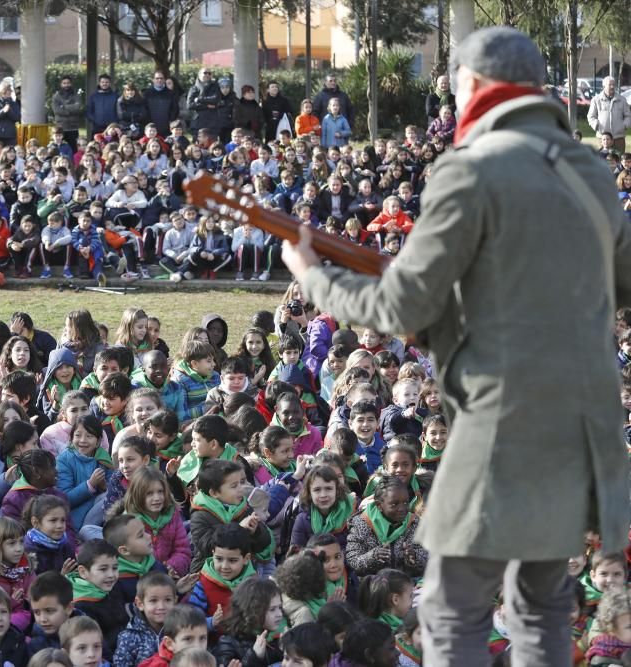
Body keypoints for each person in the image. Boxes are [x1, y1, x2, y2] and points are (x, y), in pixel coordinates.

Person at [282, 26, 631, 666]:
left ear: (472, 88)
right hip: (585, 422)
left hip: (506, 419)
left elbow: (396, 307)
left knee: (447, 607)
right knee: (540, 601)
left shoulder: (470, 169)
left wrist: (314, 278)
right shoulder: (588, 168)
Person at [588, 76, 631, 153]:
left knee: (619, 160)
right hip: (602, 138)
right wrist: (597, 125)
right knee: (602, 161)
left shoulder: (622, 99)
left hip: (619, 138)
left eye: (613, 85)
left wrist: (624, 125)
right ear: (604, 86)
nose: (612, 87)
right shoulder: (596, 100)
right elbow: (591, 116)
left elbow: (628, 116)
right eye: (610, 85)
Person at [51, 76, 85, 151]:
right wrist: (70, 110)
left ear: (71, 84)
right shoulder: (56, 96)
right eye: (64, 83)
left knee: (73, 149)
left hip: (73, 127)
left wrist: (63, 106)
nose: (66, 85)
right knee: (58, 149)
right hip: (60, 128)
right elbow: (56, 110)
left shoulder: (76, 95)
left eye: (68, 83)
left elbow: (77, 107)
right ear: (61, 84)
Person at [186, 69, 220, 140]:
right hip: (198, 123)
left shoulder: (215, 87)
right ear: (199, 75)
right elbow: (190, 105)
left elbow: (215, 100)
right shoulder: (194, 88)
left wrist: (199, 99)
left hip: (212, 124)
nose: (207, 75)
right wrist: (206, 105)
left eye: (209, 73)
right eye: (205, 73)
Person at [0, 81, 21, 148]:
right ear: (3, 91)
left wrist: (9, 111)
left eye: (11, 90)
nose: (11, 92)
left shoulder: (13, 103)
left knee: (10, 154)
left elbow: (17, 118)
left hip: (10, 135)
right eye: (9, 90)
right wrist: (2, 111)